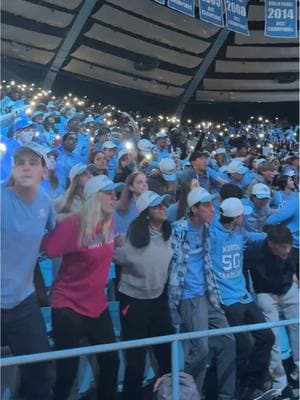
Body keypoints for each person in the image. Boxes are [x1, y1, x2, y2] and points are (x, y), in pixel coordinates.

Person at [42, 175, 121, 400]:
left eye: (114, 192)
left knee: (111, 363)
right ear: (94, 198)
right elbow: (46, 248)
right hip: (68, 303)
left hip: (97, 304)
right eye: (108, 193)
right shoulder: (73, 225)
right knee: (67, 371)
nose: (114, 197)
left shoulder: (110, 221)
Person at [168, 187, 236, 399]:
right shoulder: (177, 230)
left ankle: (226, 395)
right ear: (194, 209)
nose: (213, 209)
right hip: (189, 296)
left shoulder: (207, 228)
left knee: (228, 341)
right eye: (207, 205)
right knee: (201, 351)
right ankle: (187, 393)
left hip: (208, 293)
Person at [1, 143, 56, 399]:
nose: (26, 167)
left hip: (23, 301)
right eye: (20, 161)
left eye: (33, 163)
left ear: (44, 172)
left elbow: (54, 232)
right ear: (12, 169)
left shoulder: (46, 202)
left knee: (41, 371)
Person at [209, 198, 275, 400]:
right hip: (226, 297)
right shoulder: (212, 234)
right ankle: (235, 387)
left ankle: (253, 382)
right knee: (244, 344)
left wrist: (271, 235)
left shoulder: (239, 231)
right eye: (241, 215)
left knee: (267, 337)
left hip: (243, 294)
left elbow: (253, 237)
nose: (244, 217)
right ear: (235, 216)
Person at [114, 191, 173, 400]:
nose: (163, 208)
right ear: (146, 213)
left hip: (158, 299)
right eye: (157, 206)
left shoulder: (168, 232)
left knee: (166, 354)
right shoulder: (129, 238)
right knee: (136, 359)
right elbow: (115, 255)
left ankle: (169, 394)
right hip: (134, 300)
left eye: (163, 204)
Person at [245, 225, 299, 392]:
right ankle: (279, 382)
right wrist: (246, 292)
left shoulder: (290, 250)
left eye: (289, 245)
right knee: (272, 336)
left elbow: (293, 260)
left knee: (298, 328)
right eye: (283, 247)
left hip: (287, 288)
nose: (287, 250)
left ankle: (298, 374)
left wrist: (295, 274)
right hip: (266, 293)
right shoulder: (254, 252)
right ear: (271, 243)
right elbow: (242, 269)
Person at [114, 171, 148, 235]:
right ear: (131, 187)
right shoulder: (120, 206)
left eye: (146, 182)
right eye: (140, 182)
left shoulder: (151, 205)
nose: (145, 184)